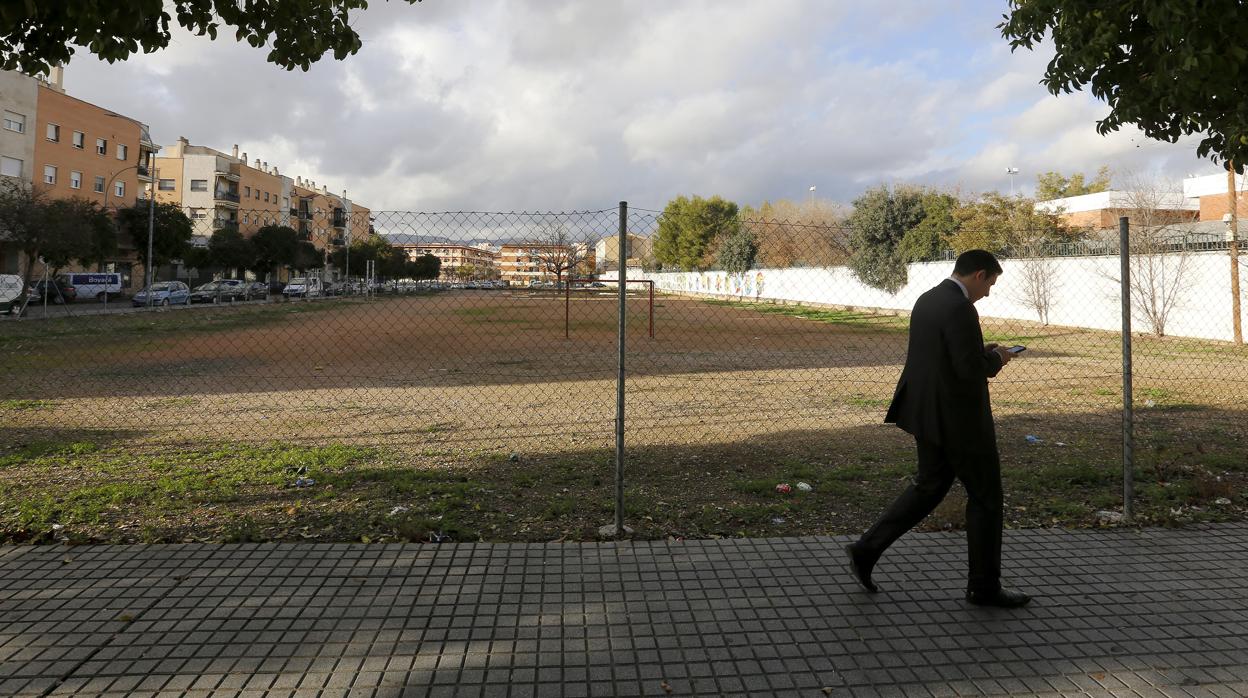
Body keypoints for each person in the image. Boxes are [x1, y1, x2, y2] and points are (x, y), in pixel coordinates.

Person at [846, 249, 1031, 608]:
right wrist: (998, 357)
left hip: (926, 414)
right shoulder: (961, 308)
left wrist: (983, 350)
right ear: (978, 275)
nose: (989, 291)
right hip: (959, 420)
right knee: (986, 498)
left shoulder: (928, 299)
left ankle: (866, 550)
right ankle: (984, 588)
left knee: (929, 487)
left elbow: (945, 355)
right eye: (990, 283)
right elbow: (967, 370)